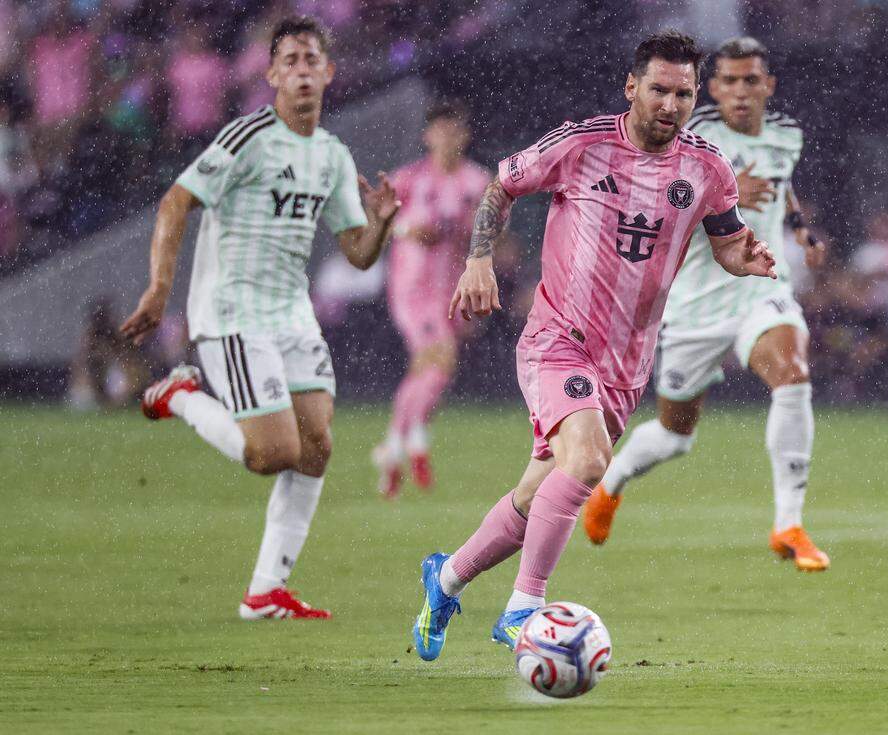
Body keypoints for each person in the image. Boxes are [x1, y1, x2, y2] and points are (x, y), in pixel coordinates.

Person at [411, 30, 776, 661]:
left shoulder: (708, 169)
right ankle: (525, 608)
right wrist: (477, 261)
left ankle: (444, 580)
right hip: (558, 339)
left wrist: (743, 257)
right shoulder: (581, 145)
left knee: (537, 494)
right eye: (658, 89)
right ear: (631, 88)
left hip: (626, 364)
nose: (670, 103)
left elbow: (726, 237)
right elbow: (501, 187)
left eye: (683, 93)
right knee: (586, 462)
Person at [119, 16, 400, 620]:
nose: (301, 70)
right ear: (272, 74)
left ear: (329, 72)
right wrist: (160, 285)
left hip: (291, 314)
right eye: (290, 60)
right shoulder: (248, 137)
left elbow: (356, 252)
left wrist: (379, 223)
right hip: (232, 312)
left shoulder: (330, 154)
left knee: (317, 446)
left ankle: (264, 591)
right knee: (272, 453)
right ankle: (183, 395)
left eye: (311, 59)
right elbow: (177, 200)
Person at [582, 36, 831, 572]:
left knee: (793, 374)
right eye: (729, 81)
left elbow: (782, 186)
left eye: (751, 80)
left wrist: (801, 230)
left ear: (768, 85)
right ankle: (611, 484)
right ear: (712, 87)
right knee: (675, 435)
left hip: (759, 285)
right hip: (692, 302)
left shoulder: (788, 135)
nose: (741, 92)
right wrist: (720, 189)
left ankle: (788, 523)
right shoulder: (693, 134)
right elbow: (650, 200)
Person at [372, 101, 491, 497]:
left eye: (454, 131)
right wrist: (408, 230)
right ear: (428, 136)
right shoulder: (408, 180)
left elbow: (493, 233)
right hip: (412, 289)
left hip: (454, 290)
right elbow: (377, 226)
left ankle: (393, 449)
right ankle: (412, 443)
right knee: (440, 358)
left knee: (430, 370)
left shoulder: (477, 181)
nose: (447, 138)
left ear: (465, 135)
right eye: (440, 131)